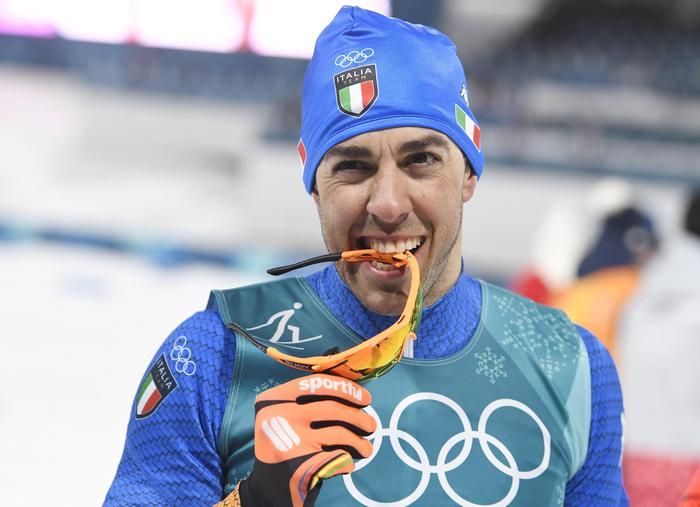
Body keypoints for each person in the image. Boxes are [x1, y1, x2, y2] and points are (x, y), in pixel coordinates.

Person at [105, 7, 628, 506]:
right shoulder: (215, 354)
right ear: (315, 186)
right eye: (352, 167)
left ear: (469, 171)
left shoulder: (571, 364)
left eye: (420, 160)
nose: (388, 205)